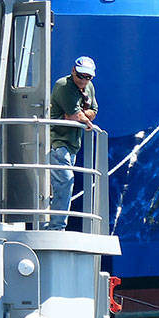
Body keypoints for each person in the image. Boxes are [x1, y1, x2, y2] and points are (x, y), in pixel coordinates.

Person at [45, 55, 99, 230]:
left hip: (73, 143)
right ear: (73, 71)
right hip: (57, 141)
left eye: (88, 77)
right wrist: (82, 116)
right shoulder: (64, 86)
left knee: (60, 184)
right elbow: (76, 115)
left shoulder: (88, 87)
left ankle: (53, 224)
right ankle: (56, 227)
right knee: (65, 181)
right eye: (81, 76)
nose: (84, 80)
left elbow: (93, 111)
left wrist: (83, 115)